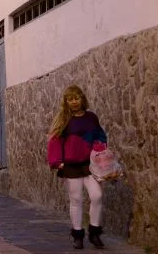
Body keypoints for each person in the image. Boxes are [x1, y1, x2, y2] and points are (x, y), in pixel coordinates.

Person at [47, 85, 107, 249]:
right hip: (71, 166)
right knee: (76, 199)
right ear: (66, 102)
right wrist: (57, 161)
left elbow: (100, 136)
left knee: (97, 196)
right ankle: (78, 234)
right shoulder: (64, 119)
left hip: (90, 165)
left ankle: (94, 232)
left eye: (76, 98)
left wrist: (100, 148)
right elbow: (54, 141)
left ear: (82, 99)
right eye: (70, 99)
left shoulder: (91, 118)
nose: (74, 102)